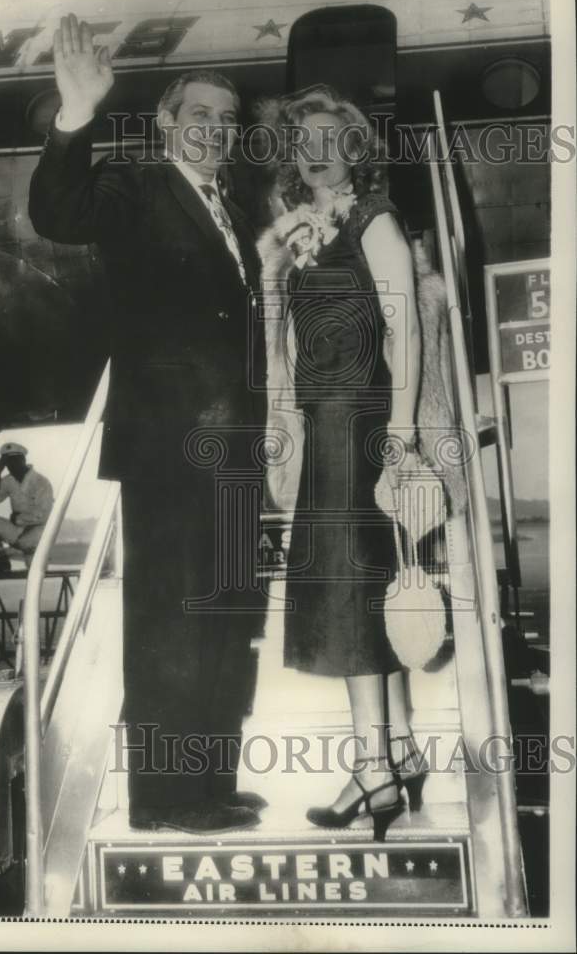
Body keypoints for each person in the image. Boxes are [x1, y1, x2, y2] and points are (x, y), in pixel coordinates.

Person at [28, 15, 267, 834]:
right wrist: (75, 114)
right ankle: (163, 799)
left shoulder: (230, 205)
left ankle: (209, 783)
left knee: (226, 613)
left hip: (232, 447)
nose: (213, 129)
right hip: (168, 447)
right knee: (171, 620)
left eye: (227, 121)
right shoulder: (134, 187)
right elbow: (58, 211)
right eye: (197, 114)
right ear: (166, 121)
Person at [257, 85, 429, 841]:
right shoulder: (300, 231)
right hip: (324, 424)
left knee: (355, 591)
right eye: (302, 143)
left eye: (329, 138)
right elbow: (286, 341)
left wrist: (399, 430)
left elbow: (407, 329)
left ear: (355, 147)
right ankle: (397, 753)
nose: (314, 153)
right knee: (367, 586)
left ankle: (372, 770)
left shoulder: (374, 218)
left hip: (363, 420)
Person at [0, 442, 54, 576]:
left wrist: (18, 518)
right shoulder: (9, 481)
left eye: (15, 461)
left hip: (37, 536)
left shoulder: (41, 481)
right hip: (17, 532)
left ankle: (33, 560)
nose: (12, 466)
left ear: (23, 459)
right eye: (8, 463)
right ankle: (0, 561)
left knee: (37, 577)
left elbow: (44, 515)